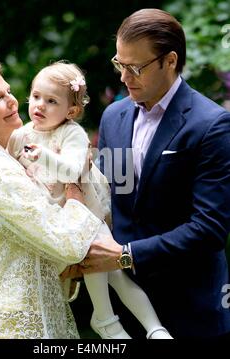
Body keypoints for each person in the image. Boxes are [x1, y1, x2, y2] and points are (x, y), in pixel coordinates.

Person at [80, 8, 230, 338]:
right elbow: (107, 198)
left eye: (135, 67)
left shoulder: (211, 125)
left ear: (170, 60)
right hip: (123, 309)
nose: (123, 77)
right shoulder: (113, 117)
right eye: (119, 64)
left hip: (189, 306)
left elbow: (210, 228)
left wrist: (125, 256)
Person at [0, 58, 106, 339]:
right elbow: (68, 243)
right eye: (0, 98)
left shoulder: (7, 161)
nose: (14, 101)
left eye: (9, 91)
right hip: (7, 326)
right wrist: (75, 187)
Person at [7, 61, 172, 339]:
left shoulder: (72, 134)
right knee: (103, 266)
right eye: (35, 96)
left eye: (51, 101)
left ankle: (152, 327)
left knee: (114, 269)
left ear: (71, 110)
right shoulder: (21, 135)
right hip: (58, 218)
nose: (39, 105)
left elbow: (72, 171)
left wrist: (43, 156)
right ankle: (107, 319)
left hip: (86, 212)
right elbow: (7, 169)